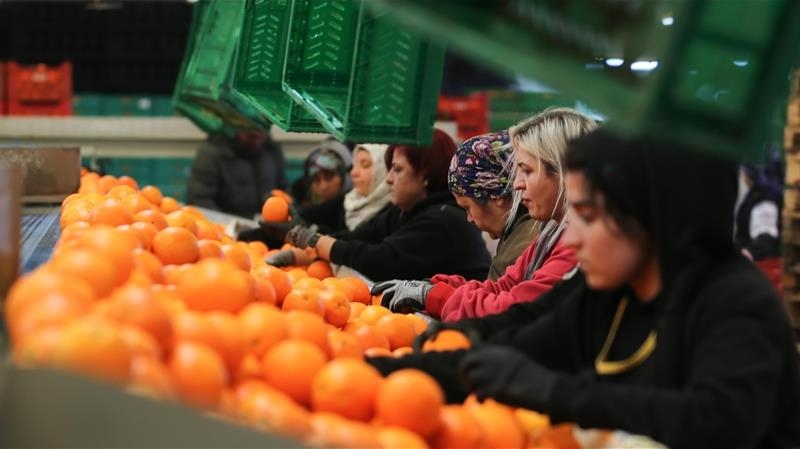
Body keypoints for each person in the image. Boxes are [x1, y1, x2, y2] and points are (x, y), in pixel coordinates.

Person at [369, 129, 800, 448]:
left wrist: (554, 392)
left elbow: (716, 423)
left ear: (652, 218)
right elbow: (521, 338)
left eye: (589, 216)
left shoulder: (735, 304)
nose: (572, 240)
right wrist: (379, 374)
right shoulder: (609, 297)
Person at [374, 108, 596, 321]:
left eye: (526, 171)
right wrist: (432, 288)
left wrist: (434, 295)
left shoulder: (576, 245)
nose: (516, 185)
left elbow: (515, 309)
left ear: (565, 173)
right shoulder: (551, 232)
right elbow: (503, 287)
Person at [273, 129, 492, 282]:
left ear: (425, 175)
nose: (388, 179)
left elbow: (380, 259)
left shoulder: (443, 220)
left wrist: (308, 239)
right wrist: (295, 252)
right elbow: (356, 238)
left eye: (397, 170)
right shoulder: (403, 212)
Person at [447, 131, 538, 280]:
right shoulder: (522, 231)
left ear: (496, 195)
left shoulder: (518, 251)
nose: (469, 218)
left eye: (467, 207)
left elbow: (493, 299)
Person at [185, 129, 287, 218]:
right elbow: (199, 200)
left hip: (265, 229)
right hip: (224, 231)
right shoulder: (211, 153)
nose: (255, 139)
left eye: (259, 134)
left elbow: (282, 190)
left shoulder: (272, 151)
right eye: (250, 135)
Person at [735, 153, 783, 291]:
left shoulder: (764, 197)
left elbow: (766, 241)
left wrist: (745, 254)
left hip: (763, 276)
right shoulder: (761, 192)